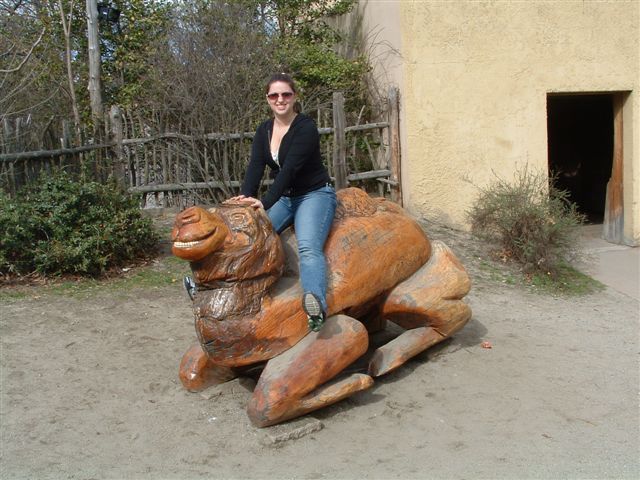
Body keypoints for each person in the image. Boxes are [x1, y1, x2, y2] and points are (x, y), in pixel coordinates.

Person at [230, 73, 336, 332]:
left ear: (294, 96)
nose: (280, 99)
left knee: (308, 247)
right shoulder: (264, 130)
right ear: (267, 99)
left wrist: (265, 203)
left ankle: (315, 306)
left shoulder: (305, 127)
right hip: (287, 198)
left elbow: (289, 170)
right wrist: (246, 196)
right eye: (274, 95)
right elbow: (256, 166)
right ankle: (219, 288)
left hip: (313, 194)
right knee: (251, 235)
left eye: (286, 94)